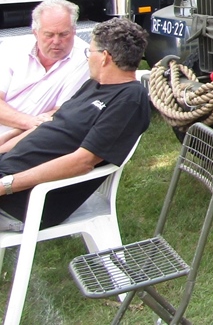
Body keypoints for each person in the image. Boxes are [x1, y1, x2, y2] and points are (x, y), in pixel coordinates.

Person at [0, 18, 151, 230]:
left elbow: (83, 161)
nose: (88, 58)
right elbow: (51, 124)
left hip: (23, 200)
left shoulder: (129, 100)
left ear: (105, 57)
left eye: (90, 52)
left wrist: (6, 185)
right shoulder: (93, 85)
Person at [0, 0, 90, 139]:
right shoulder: (11, 48)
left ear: (74, 31)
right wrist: (28, 121)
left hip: (32, 138)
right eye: (49, 35)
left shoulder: (85, 58)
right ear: (35, 33)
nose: (56, 41)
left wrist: (9, 139)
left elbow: (59, 114)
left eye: (63, 34)